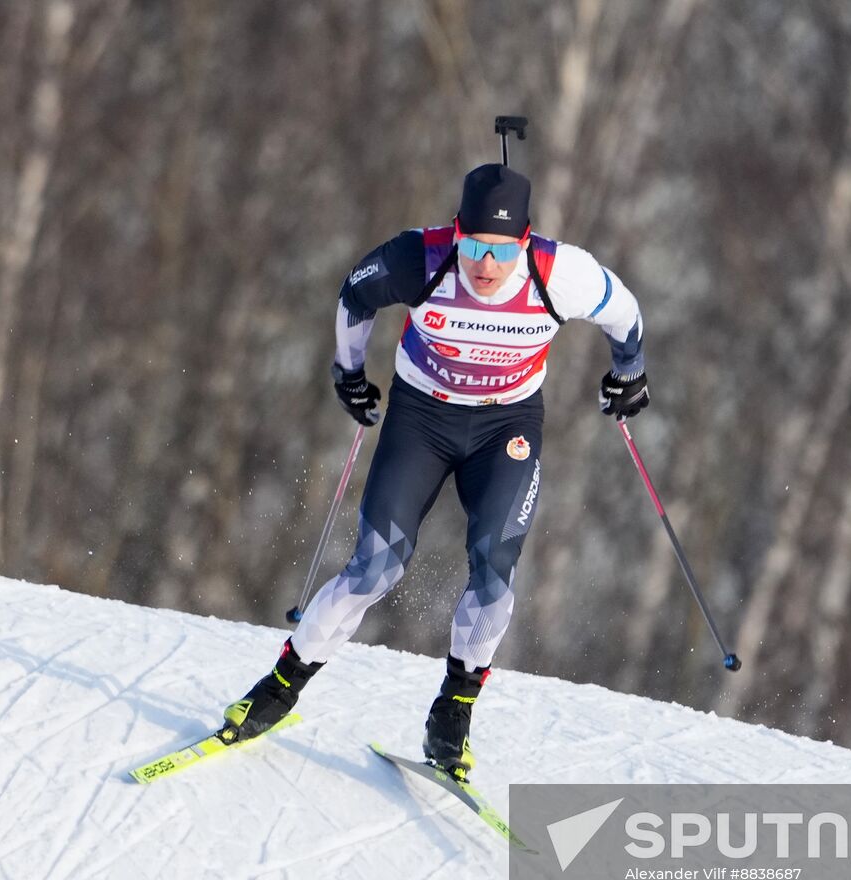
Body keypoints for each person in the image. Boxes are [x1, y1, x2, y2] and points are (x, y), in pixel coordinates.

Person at [220, 163, 649, 780]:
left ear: (524, 242)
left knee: (494, 569)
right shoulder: (420, 257)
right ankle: (278, 689)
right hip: (421, 419)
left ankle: (452, 713)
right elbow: (353, 295)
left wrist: (628, 374)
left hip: (507, 428)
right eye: (473, 246)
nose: (485, 265)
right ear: (457, 232)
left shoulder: (561, 273)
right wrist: (348, 374)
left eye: (500, 252)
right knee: (376, 565)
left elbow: (625, 313)